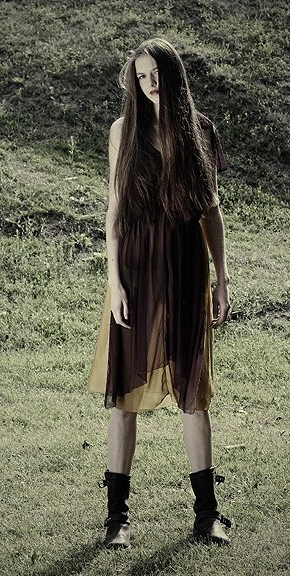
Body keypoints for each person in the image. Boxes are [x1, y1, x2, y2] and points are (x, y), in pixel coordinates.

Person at [88, 38, 232, 550]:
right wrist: (114, 284)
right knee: (124, 395)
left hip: (187, 269)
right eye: (141, 75)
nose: (150, 82)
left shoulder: (200, 130)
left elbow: (210, 211)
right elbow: (113, 211)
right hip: (136, 267)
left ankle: (207, 515)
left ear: (173, 74)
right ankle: (117, 520)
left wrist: (222, 277)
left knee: (194, 394)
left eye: (157, 73)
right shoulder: (122, 131)